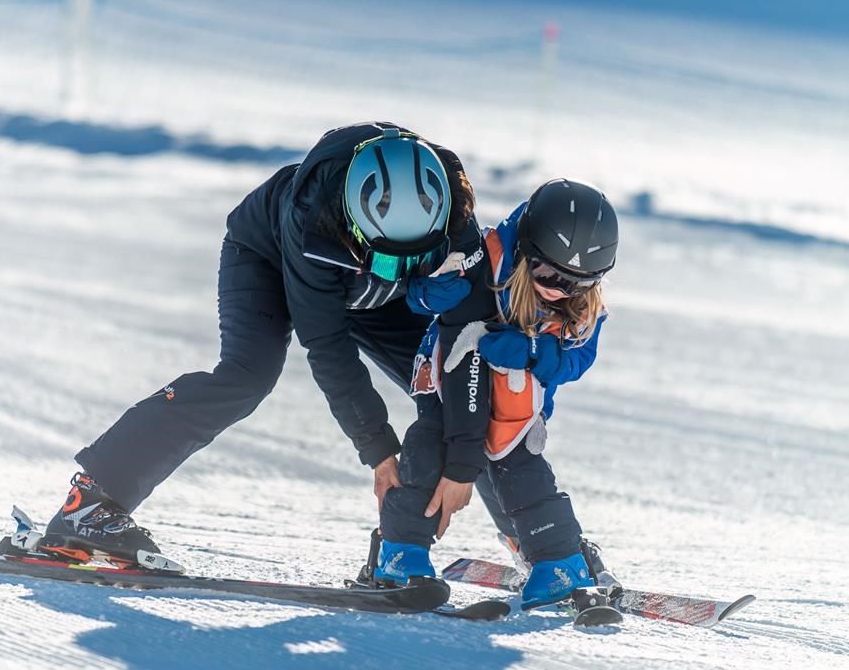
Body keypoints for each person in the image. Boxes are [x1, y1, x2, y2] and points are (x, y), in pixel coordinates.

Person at [30, 122, 493, 568]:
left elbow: (467, 352)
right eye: (388, 260)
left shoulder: (458, 220)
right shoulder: (312, 220)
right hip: (267, 261)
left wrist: (465, 470)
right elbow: (329, 347)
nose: (397, 269)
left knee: (454, 388)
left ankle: (530, 538)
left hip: (373, 295)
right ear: (354, 220)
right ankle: (90, 506)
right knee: (246, 377)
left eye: (416, 260)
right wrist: (378, 449)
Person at [373, 178, 619, 609]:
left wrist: (532, 349)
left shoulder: (583, 308)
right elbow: (420, 290)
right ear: (526, 252)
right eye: (547, 274)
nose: (559, 289)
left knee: (520, 470)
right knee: (431, 451)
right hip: (449, 381)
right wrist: (428, 290)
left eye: (576, 283)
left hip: (517, 404)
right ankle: (401, 552)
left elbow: (577, 359)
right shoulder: (483, 259)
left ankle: (559, 558)